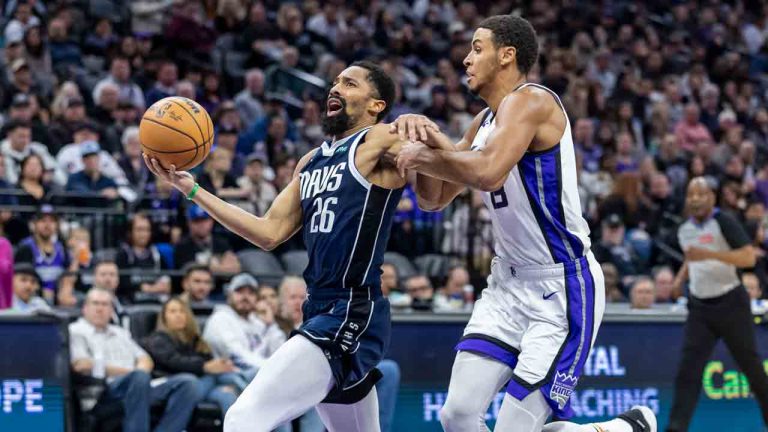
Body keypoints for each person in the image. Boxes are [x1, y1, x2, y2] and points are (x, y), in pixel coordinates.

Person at [392, 15, 655, 432]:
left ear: (507, 55)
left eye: (477, 48)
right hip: (506, 287)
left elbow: (487, 172)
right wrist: (422, 137)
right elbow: (433, 198)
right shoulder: (483, 122)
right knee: (457, 415)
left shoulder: (534, 100)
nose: (466, 59)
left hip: (561, 287)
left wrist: (426, 156)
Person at [145, 60, 410, 432]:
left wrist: (425, 130)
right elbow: (268, 232)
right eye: (335, 82)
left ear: (376, 104)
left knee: (242, 419)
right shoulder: (311, 162)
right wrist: (192, 190)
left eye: (350, 83)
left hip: (350, 309)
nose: (335, 88)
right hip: (318, 307)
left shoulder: (379, 138)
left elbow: (436, 187)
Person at [667, 177, 768, 431]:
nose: (695, 199)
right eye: (691, 194)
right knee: (688, 371)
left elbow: (748, 258)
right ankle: (676, 427)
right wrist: (680, 278)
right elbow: (691, 258)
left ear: (712, 197)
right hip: (700, 307)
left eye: (701, 194)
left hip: (731, 303)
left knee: (752, 369)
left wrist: (709, 254)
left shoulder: (724, 221)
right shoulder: (684, 229)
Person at [70, 288, 202, 432]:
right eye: (95, 303)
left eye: (105, 304)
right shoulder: (76, 331)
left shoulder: (120, 332)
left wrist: (138, 375)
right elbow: (81, 365)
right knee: (138, 377)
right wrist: (132, 374)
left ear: (111, 310)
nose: (100, 309)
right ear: (85, 308)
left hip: (139, 387)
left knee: (187, 383)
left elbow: (145, 359)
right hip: (104, 393)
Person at [143, 297, 241, 414]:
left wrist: (219, 366)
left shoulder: (196, 339)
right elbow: (174, 361)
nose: (178, 315)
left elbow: (208, 359)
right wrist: (205, 367)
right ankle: (242, 385)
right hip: (179, 386)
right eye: (173, 311)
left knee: (227, 396)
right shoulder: (158, 338)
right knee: (218, 377)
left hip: (204, 384)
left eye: (182, 311)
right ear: (164, 317)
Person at [203, 273, 285, 371]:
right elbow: (236, 356)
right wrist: (270, 368)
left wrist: (271, 325)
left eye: (251, 293)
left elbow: (280, 354)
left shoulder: (256, 322)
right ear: (229, 295)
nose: (245, 297)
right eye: (239, 292)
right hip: (230, 375)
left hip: (258, 372)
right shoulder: (220, 319)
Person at [116, 213, 170, 301]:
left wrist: (163, 285)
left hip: (155, 302)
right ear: (130, 232)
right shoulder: (123, 254)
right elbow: (121, 282)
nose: (143, 234)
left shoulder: (156, 253)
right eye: (139, 229)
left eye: (147, 230)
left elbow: (166, 277)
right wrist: (143, 287)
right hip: (130, 302)